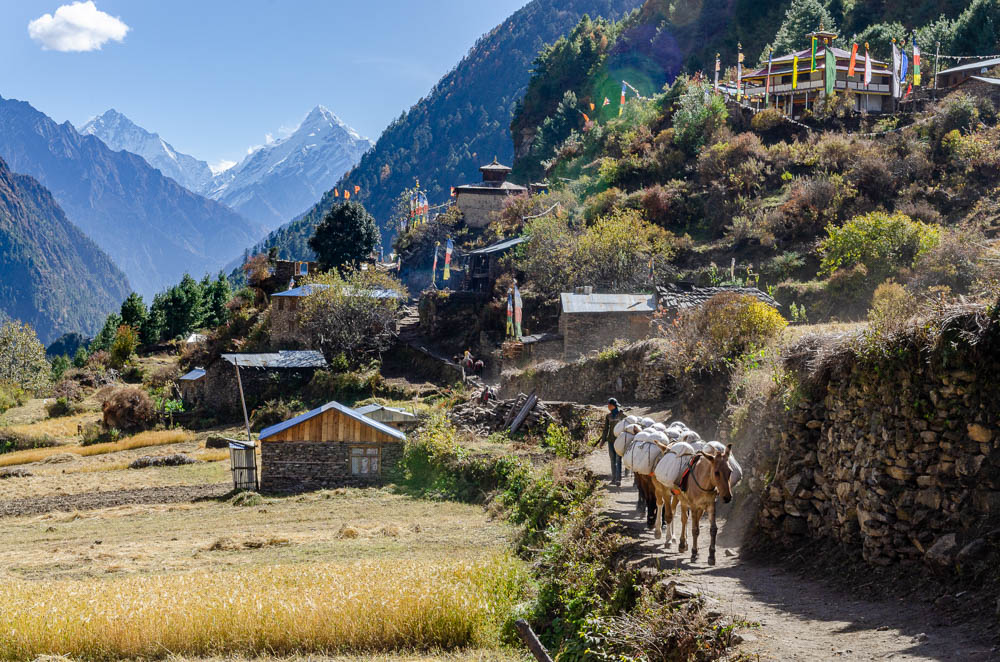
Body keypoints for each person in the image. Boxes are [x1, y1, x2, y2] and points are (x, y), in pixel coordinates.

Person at [598, 397, 624, 486]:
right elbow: (606, 429)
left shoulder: (622, 415)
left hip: (619, 441)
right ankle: (613, 479)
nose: (608, 406)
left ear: (613, 406)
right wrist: (603, 440)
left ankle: (618, 479)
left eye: (609, 405)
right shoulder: (608, 416)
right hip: (611, 440)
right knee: (612, 460)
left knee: (618, 459)